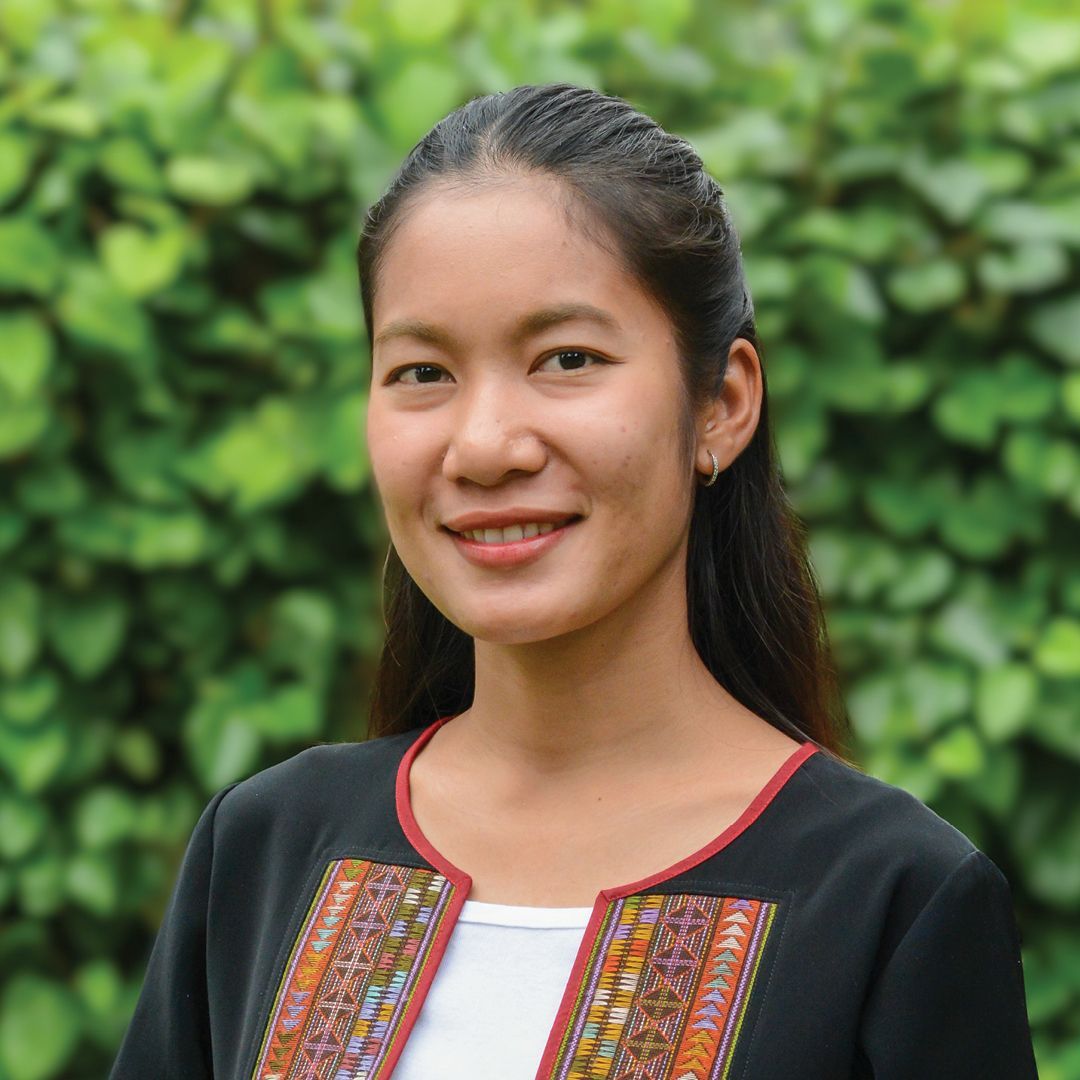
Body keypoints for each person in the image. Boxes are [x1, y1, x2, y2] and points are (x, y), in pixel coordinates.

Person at [109, 83, 1038, 1079]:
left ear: (721, 404)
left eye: (565, 357)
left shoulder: (892, 898)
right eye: (423, 372)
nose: (485, 445)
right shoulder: (264, 852)